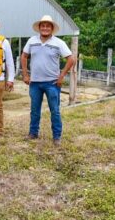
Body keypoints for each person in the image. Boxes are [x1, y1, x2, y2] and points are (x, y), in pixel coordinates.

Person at [21, 15, 75, 146]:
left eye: (48, 26)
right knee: (34, 110)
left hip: (52, 83)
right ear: (39, 28)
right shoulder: (32, 41)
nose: (45, 28)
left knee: (55, 110)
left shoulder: (58, 43)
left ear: (52, 28)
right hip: (35, 83)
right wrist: (25, 74)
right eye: (43, 25)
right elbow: (24, 56)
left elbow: (71, 59)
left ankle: (57, 136)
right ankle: (33, 133)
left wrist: (61, 75)